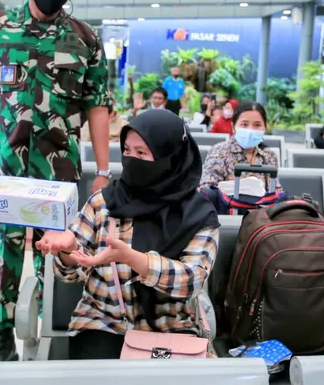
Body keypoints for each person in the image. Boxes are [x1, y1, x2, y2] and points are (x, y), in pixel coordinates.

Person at [0, 0, 112, 384]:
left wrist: (104, 172)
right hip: (4, 165)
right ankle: (1, 340)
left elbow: (98, 107)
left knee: (60, 250)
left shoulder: (85, 38)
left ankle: (63, 331)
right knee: (6, 250)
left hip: (59, 168)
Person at [35, 110, 220, 359]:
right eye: (127, 151)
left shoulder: (199, 216)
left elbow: (192, 280)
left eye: (142, 153)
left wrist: (134, 259)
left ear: (171, 157)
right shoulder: (104, 203)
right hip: (103, 323)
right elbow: (67, 275)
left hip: (172, 330)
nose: (132, 160)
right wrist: (68, 252)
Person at [200, 101, 278, 188]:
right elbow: (207, 189)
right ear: (233, 127)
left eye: (257, 125)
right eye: (244, 124)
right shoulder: (219, 152)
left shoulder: (269, 156)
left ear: (265, 128)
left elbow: (276, 190)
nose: (250, 130)